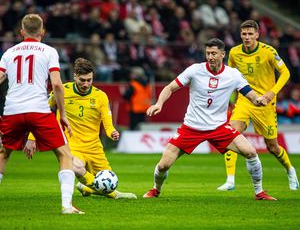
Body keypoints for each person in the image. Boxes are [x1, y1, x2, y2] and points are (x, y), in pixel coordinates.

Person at [143, 38, 276, 200]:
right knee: (164, 165)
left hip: (219, 128)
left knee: (251, 152)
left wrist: (259, 100)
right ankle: (156, 189)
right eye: (208, 53)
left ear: (222, 54)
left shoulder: (233, 75)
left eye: (214, 53)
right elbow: (170, 87)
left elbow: (250, 94)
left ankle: (259, 193)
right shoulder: (194, 70)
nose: (210, 57)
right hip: (191, 127)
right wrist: (159, 103)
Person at [0, 14, 84, 214]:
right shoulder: (49, 51)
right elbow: (56, 83)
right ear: (42, 32)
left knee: (3, 154)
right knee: (64, 154)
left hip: (12, 110)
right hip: (39, 110)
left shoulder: (9, 53)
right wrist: (62, 113)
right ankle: (66, 206)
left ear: (21, 32)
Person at [25, 58, 137, 199]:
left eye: (89, 80)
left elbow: (108, 123)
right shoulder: (61, 91)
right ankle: (113, 194)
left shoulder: (100, 96)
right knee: (75, 167)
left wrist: (112, 132)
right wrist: (31, 137)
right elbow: (42, 112)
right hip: (72, 145)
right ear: (75, 76)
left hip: (94, 147)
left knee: (108, 181)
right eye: (82, 80)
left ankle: (89, 188)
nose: (86, 84)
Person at [217, 20, 299, 191]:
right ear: (240, 35)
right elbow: (230, 77)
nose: (246, 37)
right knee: (231, 135)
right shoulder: (234, 52)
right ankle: (230, 180)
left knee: (272, 147)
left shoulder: (268, 52)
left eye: (250, 34)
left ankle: (290, 170)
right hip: (245, 100)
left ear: (257, 35)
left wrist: (272, 92)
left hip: (265, 103)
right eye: (244, 34)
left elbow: (285, 73)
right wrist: (229, 98)